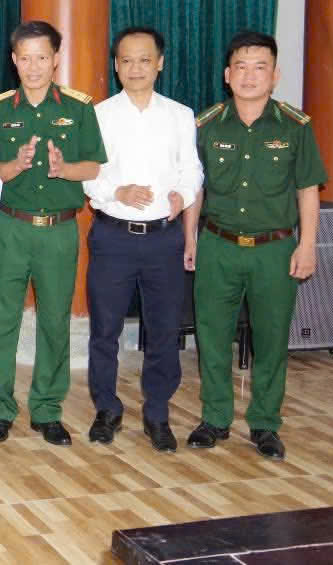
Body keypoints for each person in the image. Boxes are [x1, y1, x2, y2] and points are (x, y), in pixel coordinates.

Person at [182, 31, 326, 461]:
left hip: (274, 250)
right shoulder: (207, 125)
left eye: (259, 67)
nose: (249, 76)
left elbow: (307, 190)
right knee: (212, 336)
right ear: (227, 75)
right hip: (218, 245)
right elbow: (195, 187)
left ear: (274, 75)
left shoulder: (295, 126)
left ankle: (265, 423)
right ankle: (215, 418)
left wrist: (308, 245)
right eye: (241, 67)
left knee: (272, 339)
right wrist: (190, 237)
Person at [0, 20, 106, 447]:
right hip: (10, 227)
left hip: (58, 230)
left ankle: (48, 410)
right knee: (2, 320)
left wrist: (64, 169)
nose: (33, 67)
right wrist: (14, 165)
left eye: (42, 58)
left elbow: (93, 166)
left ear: (56, 60)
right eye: (25, 58)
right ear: (13, 61)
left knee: (55, 321)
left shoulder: (79, 108)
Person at [82, 27, 203, 453]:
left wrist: (182, 195)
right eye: (127, 60)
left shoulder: (180, 115)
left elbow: (192, 170)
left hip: (162, 240)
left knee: (164, 329)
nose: (135, 68)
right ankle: (107, 409)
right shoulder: (98, 115)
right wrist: (117, 191)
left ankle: (157, 412)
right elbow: (89, 174)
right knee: (105, 329)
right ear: (116, 66)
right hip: (112, 236)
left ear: (159, 64)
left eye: (144, 60)